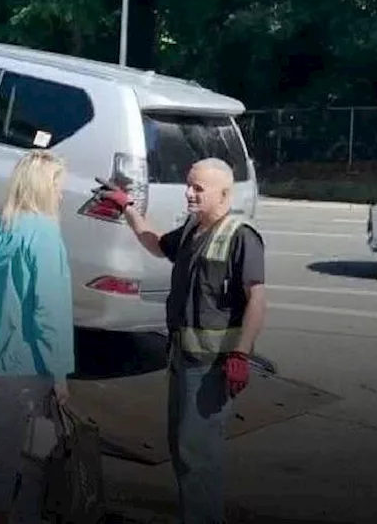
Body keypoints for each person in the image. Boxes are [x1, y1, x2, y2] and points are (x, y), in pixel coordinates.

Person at [95, 158, 268, 524]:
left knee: (198, 454)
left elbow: (257, 298)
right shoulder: (193, 228)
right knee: (183, 448)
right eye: (188, 185)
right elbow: (156, 244)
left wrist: (241, 352)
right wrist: (127, 206)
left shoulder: (240, 236)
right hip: (182, 359)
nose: (188, 193)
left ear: (223, 193)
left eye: (197, 188)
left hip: (211, 367)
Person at [0, 149, 76, 524]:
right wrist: (60, 374)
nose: (62, 193)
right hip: (32, 363)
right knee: (34, 462)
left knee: (1, 456)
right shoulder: (44, 236)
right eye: (59, 185)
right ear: (45, 188)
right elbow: (48, 311)